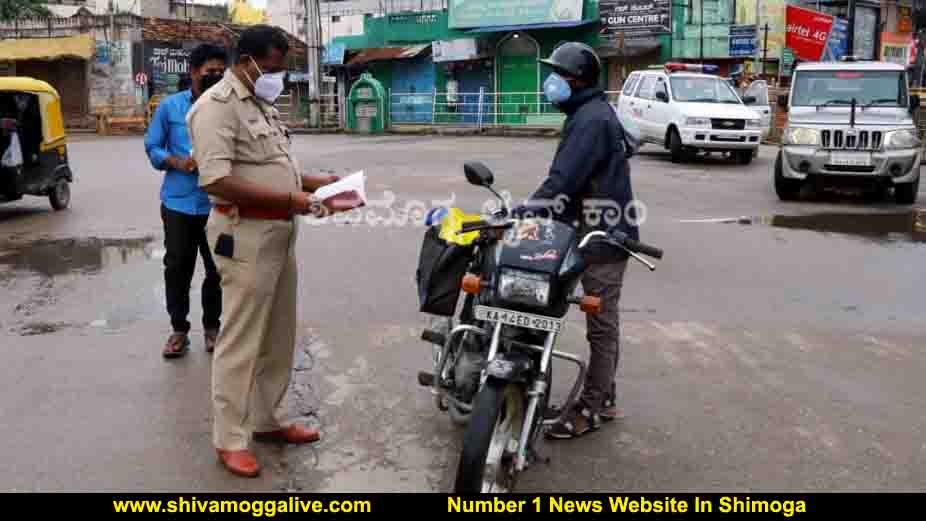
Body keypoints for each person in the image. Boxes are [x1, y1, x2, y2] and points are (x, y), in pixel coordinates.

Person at [187, 25, 343, 478]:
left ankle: (269, 421)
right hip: (245, 236)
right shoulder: (215, 108)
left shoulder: (260, 104)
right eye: (274, 66)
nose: (279, 75)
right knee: (239, 342)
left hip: (278, 233)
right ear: (248, 61)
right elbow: (216, 180)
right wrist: (294, 199)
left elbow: (275, 169)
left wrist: (318, 184)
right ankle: (230, 440)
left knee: (278, 336)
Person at [516, 42, 639, 440]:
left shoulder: (590, 117)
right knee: (588, 319)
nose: (550, 82)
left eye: (557, 74)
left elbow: (564, 180)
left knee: (601, 326)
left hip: (604, 234)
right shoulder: (587, 112)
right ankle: (603, 396)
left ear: (578, 80)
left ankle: (594, 407)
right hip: (585, 229)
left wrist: (528, 211)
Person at [145, 44, 229, 359]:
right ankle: (178, 330)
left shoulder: (226, 107)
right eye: (210, 71)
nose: (216, 76)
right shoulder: (170, 108)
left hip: (218, 203)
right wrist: (175, 162)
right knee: (177, 267)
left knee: (217, 268)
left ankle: (212, 328)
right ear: (194, 72)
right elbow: (152, 146)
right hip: (179, 203)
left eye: (222, 71)